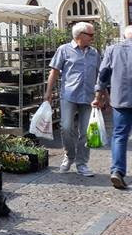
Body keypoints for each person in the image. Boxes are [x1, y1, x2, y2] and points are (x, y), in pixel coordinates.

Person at [45, 21, 100, 176]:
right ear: (80, 36)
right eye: (90, 34)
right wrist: (48, 93)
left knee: (86, 132)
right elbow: (54, 72)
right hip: (69, 95)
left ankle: (82, 163)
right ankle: (69, 156)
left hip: (89, 97)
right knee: (66, 127)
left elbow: (100, 76)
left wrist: (103, 96)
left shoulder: (94, 53)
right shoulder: (64, 50)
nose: (92, 37)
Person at [95, 25, 132, 190]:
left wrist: (99, 95)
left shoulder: (112, 49)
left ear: (125, 36)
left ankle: (117, 171)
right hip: (121, 100)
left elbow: (103, 74)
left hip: (121, 100)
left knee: (119, 136)